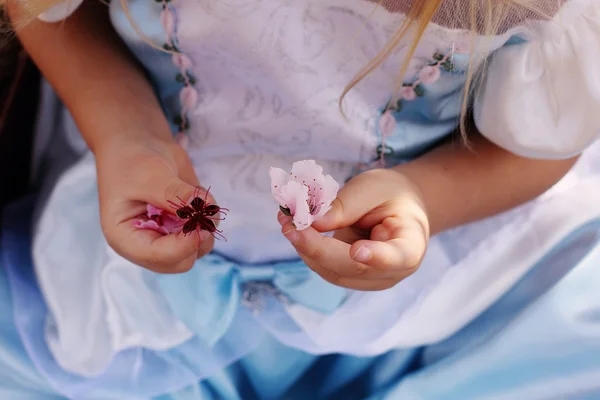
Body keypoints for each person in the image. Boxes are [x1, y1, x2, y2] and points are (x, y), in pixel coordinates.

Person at [1, 0, 600, 398]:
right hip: (131, 297)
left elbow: (539, 145)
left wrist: (422, 198)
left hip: (442, 302)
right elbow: (48, 14)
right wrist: (127, 133)